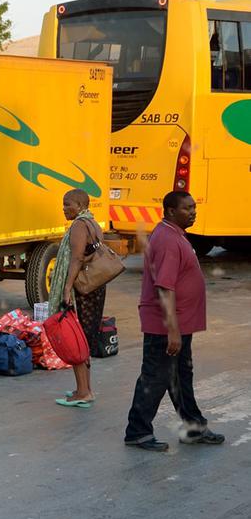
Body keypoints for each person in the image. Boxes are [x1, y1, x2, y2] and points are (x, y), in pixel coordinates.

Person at [124, 191, 226, 452]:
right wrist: (172, 331)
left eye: (194, 207)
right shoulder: (168, 240)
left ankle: (194, 428)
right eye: (187, 208)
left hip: (178, 323)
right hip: (165, 325)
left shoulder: (174, 234)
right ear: (170, 211)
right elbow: (164, 288)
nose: (193, 212)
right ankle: (138, 432)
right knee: (155, 377)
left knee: (180, 376)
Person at [46, 189, 106, 408]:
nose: (64, 208)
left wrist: (66, 288)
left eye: (68, 204)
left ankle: (83, 392)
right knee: (84, 338)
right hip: (94, 287)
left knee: (77, 338)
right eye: (63, 204)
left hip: (83, 289)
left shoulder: (80, 226)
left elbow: (77, 257)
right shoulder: (93, 223)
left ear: (80, 205)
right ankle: (85, 389)